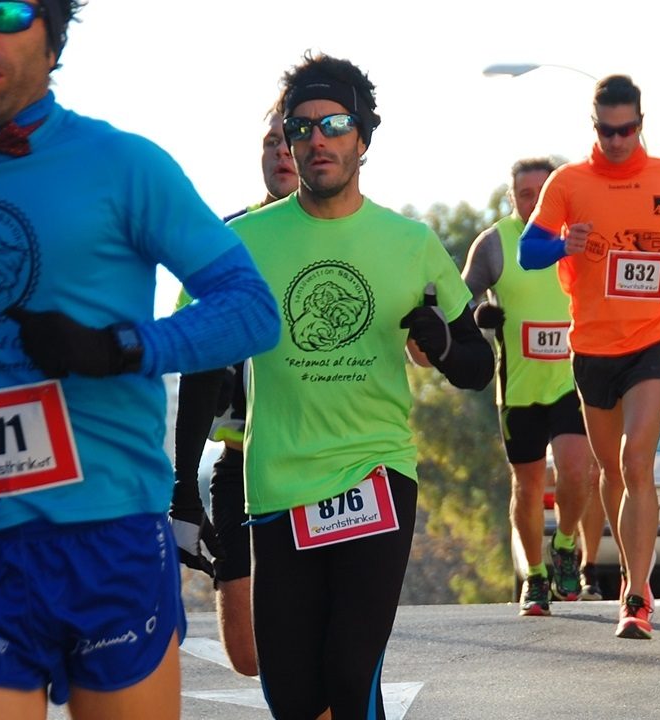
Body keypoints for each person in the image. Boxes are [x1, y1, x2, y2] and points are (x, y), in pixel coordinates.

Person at [0, 2, 279, 718]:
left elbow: (252, 309)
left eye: (8, 11)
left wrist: (122, 348)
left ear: (54, 33)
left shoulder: (125, 165)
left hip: (108, 536)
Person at [230, 52, 493, 717]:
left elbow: (477, 366)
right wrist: (184, 487)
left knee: (349, 678)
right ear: (289, 140)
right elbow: (201, 360)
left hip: (374, 474)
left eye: (335, 123)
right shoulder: (243, 242)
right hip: (279, 482)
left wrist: (438, 340)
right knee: (291, 697)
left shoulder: (410, 242)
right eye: (302, 126)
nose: (317, 138)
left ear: (363, 139)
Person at [519, 74, 660, 639]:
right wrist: (563, 244)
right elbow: (529, 250)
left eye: (626, 130)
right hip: (592, 348)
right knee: (611, 471)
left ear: (641, 124)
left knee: (636, 463)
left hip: (653, 338)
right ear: (595, 126)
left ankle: (636, 596)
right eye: (607, 131)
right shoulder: (568, 182)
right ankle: (632, 572)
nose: (618, 140)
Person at [168, 107, 298, 677]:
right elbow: (195, 370)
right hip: (242, 463)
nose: (283, 151)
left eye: (292, 138)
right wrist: (184, 495)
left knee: (326, 648)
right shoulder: (226, 240)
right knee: (247, 656)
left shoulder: (356, 237)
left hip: (331, 463)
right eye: (272, 140)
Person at [462, 157, 601, 615]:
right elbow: (464, 300)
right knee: (527, 484)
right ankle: (535, 578)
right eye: (525, 194)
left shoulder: (577, 238)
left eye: (543, 193)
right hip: (518, 387)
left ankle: (565, 544)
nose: (534, 201)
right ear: (512, 198)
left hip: (571, 379)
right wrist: (482, 314)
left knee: (578, 470)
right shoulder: (494, 244)